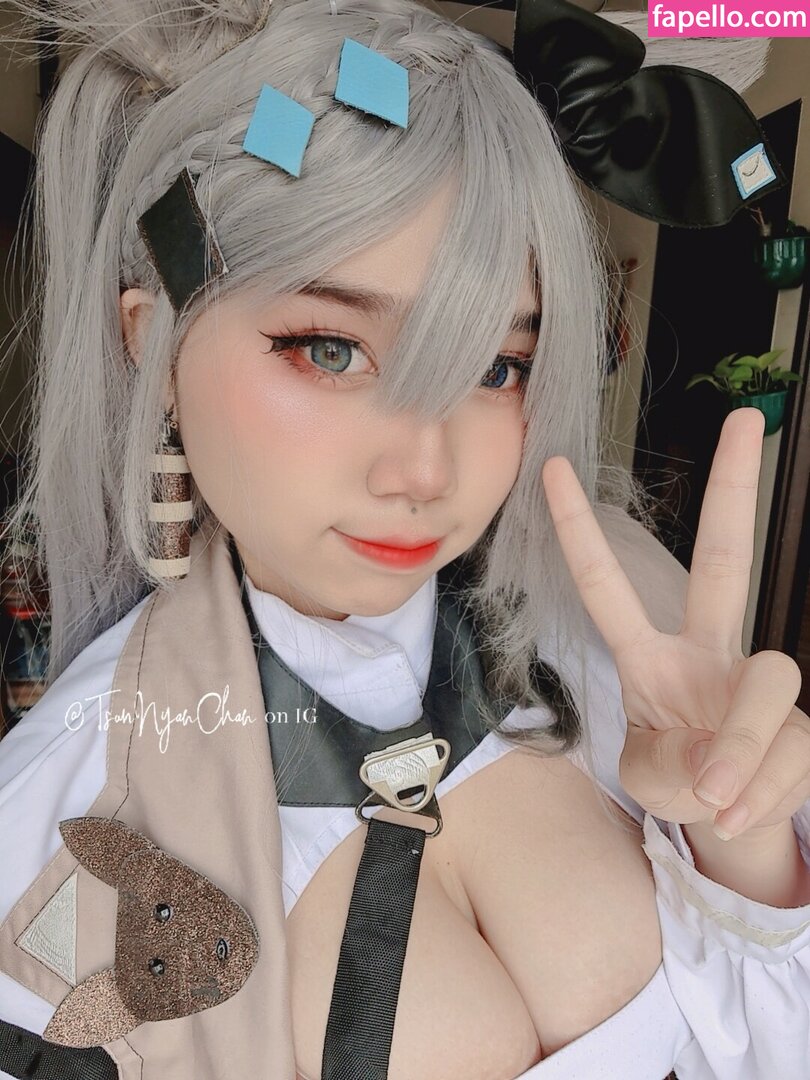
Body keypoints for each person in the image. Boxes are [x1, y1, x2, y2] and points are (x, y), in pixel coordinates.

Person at [0, 0, 808, 1077]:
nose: (426, 472)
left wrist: (739, 837)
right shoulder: (65, 820)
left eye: (495, 367)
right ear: (157, 346)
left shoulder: (620, 619)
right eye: (331, 350)